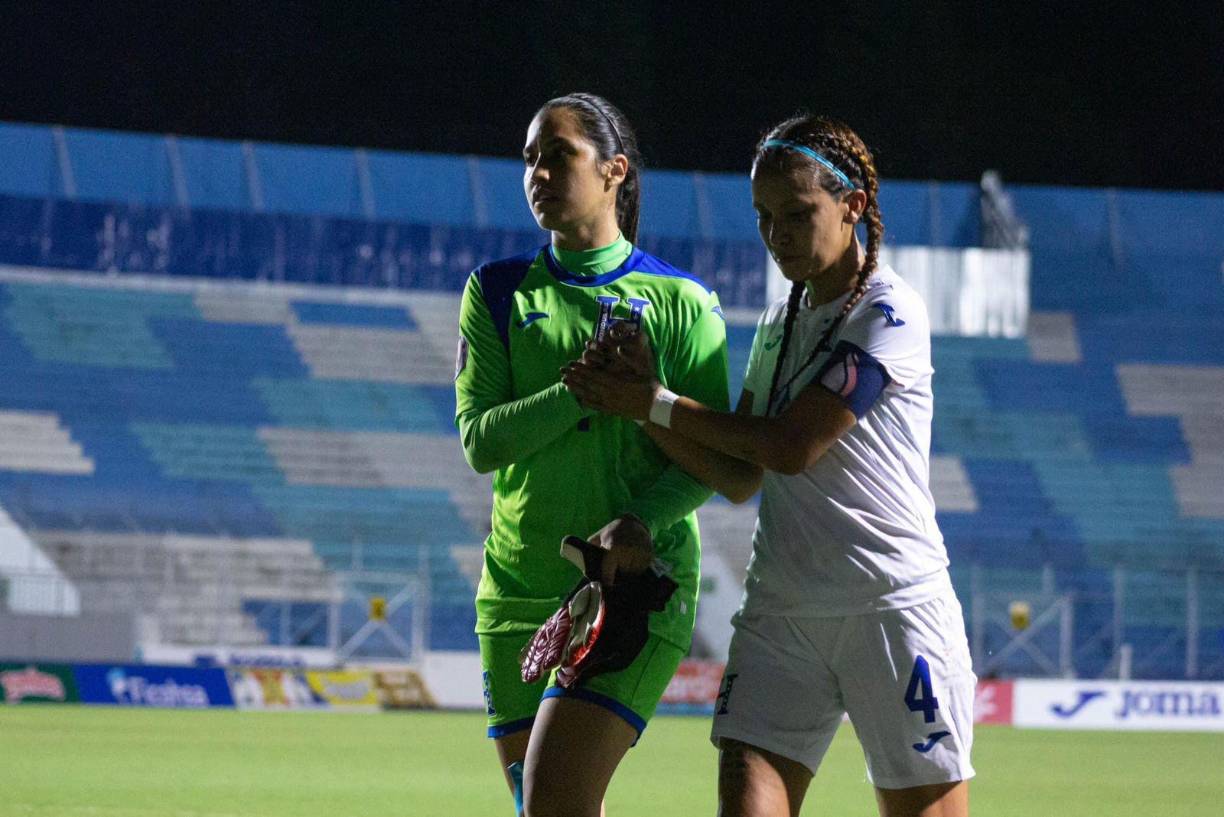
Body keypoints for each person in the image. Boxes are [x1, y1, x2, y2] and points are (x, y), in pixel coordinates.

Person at [563, 115, 975, 817]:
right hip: (782, 611)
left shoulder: (889, 312)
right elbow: (739, 472)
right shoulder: (779, 324)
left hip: (892, 606)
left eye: (797, 213)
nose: (776, 233)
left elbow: (791, 445)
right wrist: (637, 404)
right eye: (762, 217)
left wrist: (655, 399)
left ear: (852, 205)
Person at [454, 92, 731, 817]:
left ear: (613, 171)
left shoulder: (682, 301)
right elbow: (480, 441)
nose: (538, 173)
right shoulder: (497, 291)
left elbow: (711, 456)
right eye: (529, 159)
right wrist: (580, 391)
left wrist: (640, 518)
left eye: (558, 155)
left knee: (552, 803)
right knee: (545, 806)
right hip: (517, 591)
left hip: (633, 588)